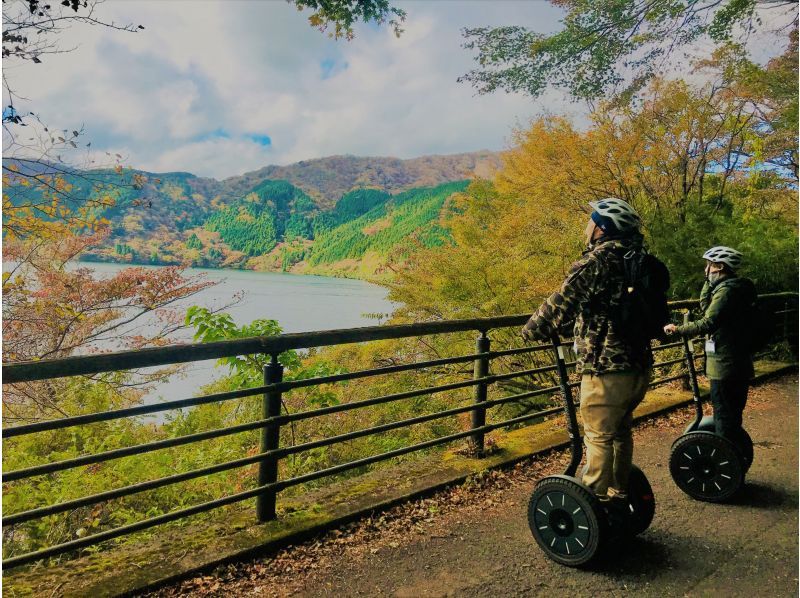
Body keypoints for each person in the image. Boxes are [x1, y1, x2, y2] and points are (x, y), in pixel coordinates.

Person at [521, 198, 655, 503]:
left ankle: (595, 503)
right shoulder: (636, 258)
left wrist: (531, 330)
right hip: (639, 366)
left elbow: (560, 301)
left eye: (591, 221)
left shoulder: (600, 261)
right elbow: (603, 309)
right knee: (620, 432)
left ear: (601, 228)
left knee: (598, 436)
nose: (587, 226)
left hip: (606, 369)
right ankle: (620, 494)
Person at [664, 246, 756, 452]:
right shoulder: (734, 289)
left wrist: (678, 329)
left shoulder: (727, 292)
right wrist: (708, 283)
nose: (706, 269)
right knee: (731, 416)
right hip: (737, 362)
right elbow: (707, 307)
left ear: (720, 266)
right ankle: (735, 460)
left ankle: (728, 468)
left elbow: (708, 322)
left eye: (709, 265)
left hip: (726, 365)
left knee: (724, 416)